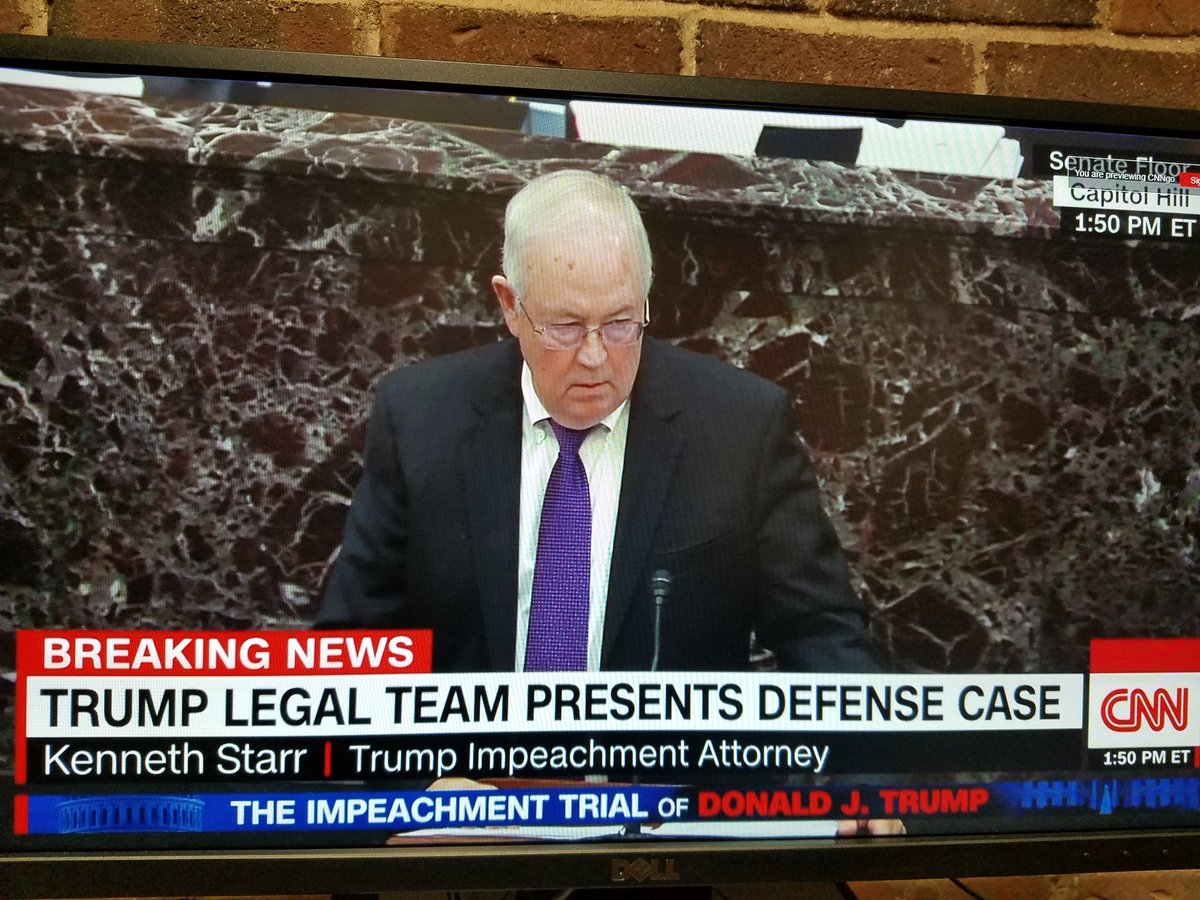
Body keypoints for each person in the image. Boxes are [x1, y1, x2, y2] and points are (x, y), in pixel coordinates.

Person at [317, 169, 877, 676]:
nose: (594, 356)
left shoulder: (741, 428)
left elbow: (821, 635)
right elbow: (355, 644)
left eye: (620, 323)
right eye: (564, 326)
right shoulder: (420, 418)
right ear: (510, 305)